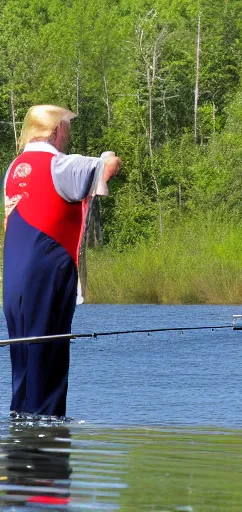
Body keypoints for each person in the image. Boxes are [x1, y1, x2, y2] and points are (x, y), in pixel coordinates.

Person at [3, 105, 121, 418]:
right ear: (56, 130)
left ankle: (22, 443)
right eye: (66, 125)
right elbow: (109, 166)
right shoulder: (61, 165)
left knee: (26, 368)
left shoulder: (13, 170)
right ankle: (46, 445)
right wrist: (107, 157)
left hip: (14, 283)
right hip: (48, 274)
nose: (68, 132)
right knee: (49, 363)